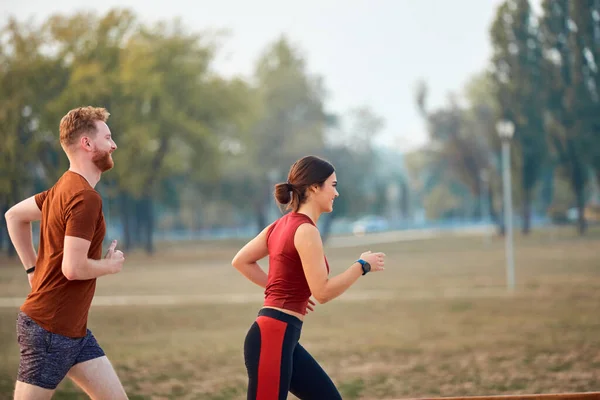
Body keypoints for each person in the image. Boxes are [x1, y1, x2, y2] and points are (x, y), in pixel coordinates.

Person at [231, 155, 386, 399]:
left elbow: (241, 260)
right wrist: (361, 266)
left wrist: (283, 290)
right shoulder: (306, 231)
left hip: (283, 337)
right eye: (333, 186)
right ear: (314, 187)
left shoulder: (279, 225)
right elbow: (322, 293)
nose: (336, 193)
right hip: (273, 337)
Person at [5, 106, 127, 400]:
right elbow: (73, 268)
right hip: (49, 330)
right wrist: (108, 266)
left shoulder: (61, 189)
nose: (114, 145)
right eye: (107, 137)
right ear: (87, 144)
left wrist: (32, 271)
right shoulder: (85, 197)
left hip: (74, 332)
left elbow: (13, 216)